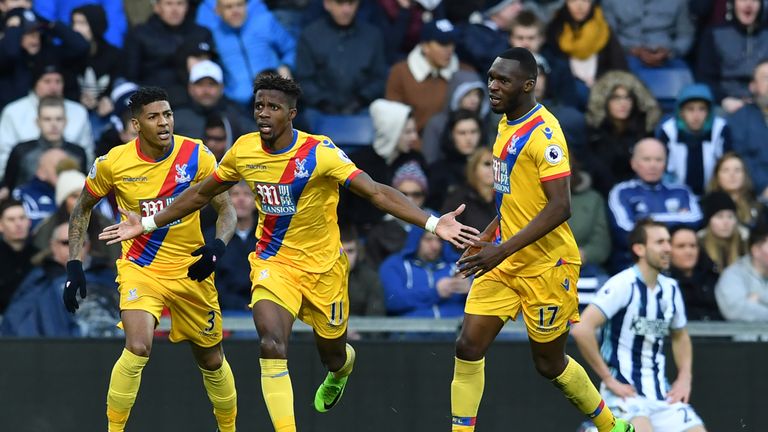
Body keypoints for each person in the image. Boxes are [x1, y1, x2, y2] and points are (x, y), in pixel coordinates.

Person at [98, 74, 478, 431]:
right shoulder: (244, 150)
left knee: (332, 352)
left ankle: (341, 368)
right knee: (271, 342)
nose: (263, 113)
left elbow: (376, 191)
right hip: (272, 263)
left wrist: (432, 223)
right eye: (259, 105)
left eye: (273, 107)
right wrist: (147, 224)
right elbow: (200, 193)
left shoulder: (319, 153)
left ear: (291, 114)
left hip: (323, 269)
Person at [449, 47, 633, 432]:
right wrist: (486, 238)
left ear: (528, 85)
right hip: (504, 261)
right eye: (491, 77)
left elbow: (559, 207)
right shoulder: (503, 123)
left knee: (549, 364)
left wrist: (499, 249)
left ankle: (612, 427)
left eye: (504, 81)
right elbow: (514, 197)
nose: (492, 86)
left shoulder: (544, 134)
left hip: (548, 265)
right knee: (467, 346)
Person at [63, 87, 239, 432]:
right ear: (135, 124)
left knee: (212, 358)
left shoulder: (197, 155)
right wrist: (74, 264)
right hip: (140, 268)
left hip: (192, 270)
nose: (164, 123)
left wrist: (217, 246)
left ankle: (229, 428)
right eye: (154, 116)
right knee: (138, 346)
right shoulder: (113, 163)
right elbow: (82, 208)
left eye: (168, 114)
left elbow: (228, 210)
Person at [571, 219, 706, 432]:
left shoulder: (670, 289)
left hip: (662, 394)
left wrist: (684, 378)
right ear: (639, 249)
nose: (668, 248)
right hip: (624, 394)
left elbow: (681, 335)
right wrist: (608, 378)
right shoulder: (622, 284)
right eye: (660, 242)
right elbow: (582, 329)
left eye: (668, 242)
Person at [607, 138, 703, 271]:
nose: (653, 165)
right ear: (633, 163)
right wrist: (676, 218)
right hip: (632, 264)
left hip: (678, 265)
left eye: (658, 160)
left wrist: (643, 220)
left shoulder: (681, 191)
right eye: (646, 159)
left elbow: (696, 221)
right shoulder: (621, 192)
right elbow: (625, 232)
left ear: (665, 163)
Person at [656, 83, 732, 196]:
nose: (696, 116)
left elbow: (728, 163)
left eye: (702, 109)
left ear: (709, 112)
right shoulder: (668, 131)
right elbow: (662, 170)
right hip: (675, 195)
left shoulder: (720, 129)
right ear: (681, 112)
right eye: (690, 109)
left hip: (714, 194)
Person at [1, 96, 87, 193]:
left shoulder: (78, 154)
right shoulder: (21, 152)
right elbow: (8, 189)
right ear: (38, 122)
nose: (54, 124)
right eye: (47, 119)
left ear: (66, 121)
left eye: (58, 119)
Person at [380, 226, 469, 318]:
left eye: (439, 240)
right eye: (428, 239)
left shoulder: (457, 265)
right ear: (415, 239)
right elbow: (392, 301)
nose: (435, 246)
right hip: (412, 330)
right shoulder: (395, 265)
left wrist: (470, 290)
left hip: (455, 330)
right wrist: (435, 292)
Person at [715, 223, 768, 321]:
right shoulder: (733, 275)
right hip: (746, 335)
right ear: (756, 250)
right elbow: (735, 311)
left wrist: (760, 298)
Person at [669, 226, 722, 321]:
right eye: (681, 246)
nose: (688, 251)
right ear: (669, 250)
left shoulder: (714, 278)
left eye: (693, 246)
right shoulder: (660, 283)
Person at [706, 152, 765, 229]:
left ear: (745, 175)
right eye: (726, 170)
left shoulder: (759, 207)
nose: (732, 174)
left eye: (737, 170)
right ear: (717, 176)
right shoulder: (706, 206)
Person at [0, 199, 36, 315]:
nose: (18, 224)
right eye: (11, 219)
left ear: (29, 222)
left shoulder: (40, 256)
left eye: (22, 218)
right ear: (1, 225)